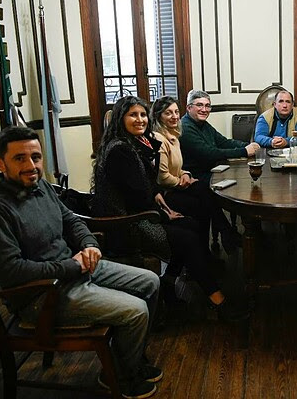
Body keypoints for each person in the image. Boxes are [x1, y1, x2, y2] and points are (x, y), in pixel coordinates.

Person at [0, 126, 162, 399]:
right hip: (40, 296)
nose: (31, 165)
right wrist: (74, 265)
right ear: (0, 163)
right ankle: (122, 377)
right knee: (135, 310)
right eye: (19, 159)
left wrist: (89, 245)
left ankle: (125, 360)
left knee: (150, 281)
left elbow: (72, 220)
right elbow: (12, 271)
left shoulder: (41, 187)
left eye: (36, 157)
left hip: (74, 269)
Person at [92, 96, 248, 321]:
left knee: (192, 223)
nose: (140, 120)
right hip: (127, 224)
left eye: (143, 114)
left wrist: (161, 202)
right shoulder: (121, 151)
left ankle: (171, 280)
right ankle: (218, 301)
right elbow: (139, 196)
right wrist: (165, 213)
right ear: (120, 119)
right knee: (188, 235)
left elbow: (149, 185)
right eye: (133, 115)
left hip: (141, 213)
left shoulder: (133, 144)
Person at [150, 96, 241, 255]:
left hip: (182, 181)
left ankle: (210, 248)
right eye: (168, 113)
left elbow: (179, 165)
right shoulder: (161, 138)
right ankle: (224, 233)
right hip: (166, 193)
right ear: (158, 116)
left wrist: (185, 173)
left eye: (176, 112)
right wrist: (181, 181)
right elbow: (163, 177)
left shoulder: (174, 134)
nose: (174, 116)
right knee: (205, 192)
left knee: (204, 196)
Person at [179, 90, 260, 180]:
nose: (204, 110)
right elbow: (209, 154)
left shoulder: (203, 124)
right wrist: (244, 151)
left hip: (211, 171)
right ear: (189, 108)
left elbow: (223, 142)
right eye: (199, 105)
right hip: (195, 177)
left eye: (207, 106)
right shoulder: (185, 127)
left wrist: (247, 145)